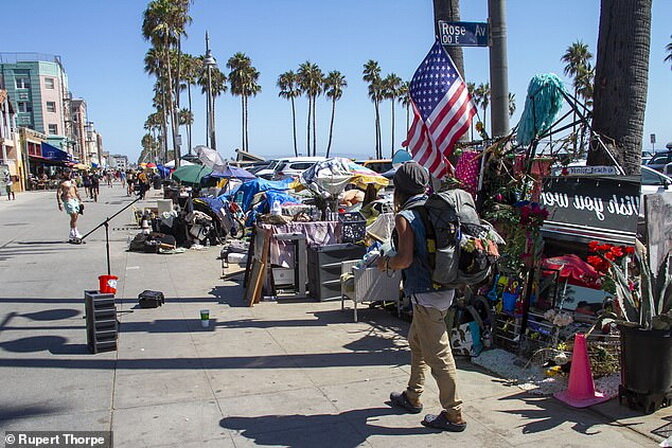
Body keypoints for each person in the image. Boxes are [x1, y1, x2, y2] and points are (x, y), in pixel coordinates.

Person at [378, 161, 466, 432]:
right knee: (416, 341)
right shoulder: (435, 208)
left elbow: (404, 260)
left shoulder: (406, 215)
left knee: (439, 355)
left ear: (400, 188)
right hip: (445, 286)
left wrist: (385, 263)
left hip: (425, 294)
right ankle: (413, 395)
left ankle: (454, 414)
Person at [56, 169, 83, 242]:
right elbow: (58, 193)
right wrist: (59, 203)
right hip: (68, 200)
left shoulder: (73, 181)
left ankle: (73, 232)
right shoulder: (62, 183)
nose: (69, 174)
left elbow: (76, 191)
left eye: (69, 172)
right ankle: (75, 232)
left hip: (75, 200)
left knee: (76, 216)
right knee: (73, 215)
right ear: (64, 173)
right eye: (67, 172)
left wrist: (80, 200)